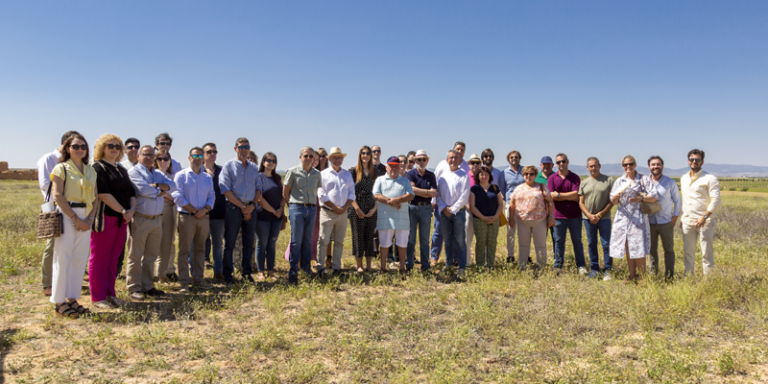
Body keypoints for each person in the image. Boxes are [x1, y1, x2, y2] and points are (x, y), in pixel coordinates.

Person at [49, 133, 98, 317]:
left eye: (83, 146)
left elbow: (95, 198)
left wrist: (90, 219)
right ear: (67, 148)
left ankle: (72, 298)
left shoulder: (91, 170)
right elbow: (58, 195)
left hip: (87, 216)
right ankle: (59, 302)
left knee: (78, 259)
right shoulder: (61, 168)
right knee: (63, 259)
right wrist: (75, 219)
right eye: (75, 146)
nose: (79, 149)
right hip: (68, 214)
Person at [90, 134, 135, 309]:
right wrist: (124, 211)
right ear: (102, 147)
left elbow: (132, 192)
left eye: (117, 146)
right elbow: (103, 194)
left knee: (113, 259)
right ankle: (98, 297)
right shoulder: (98, 167)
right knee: (100, 258)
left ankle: (110, 294)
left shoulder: (121, 169)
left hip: (122, 220)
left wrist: (131, 210)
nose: (114, 149)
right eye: (110, 146)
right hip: (105, 218)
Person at [128, 145, 175, 300]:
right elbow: (143, 190)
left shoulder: (156, 172)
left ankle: (147, 285)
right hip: (140, 219)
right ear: (138, 156)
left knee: (151, 256)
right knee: (136, 255)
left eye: (151, 155)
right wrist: (159, 190)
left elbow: (172, 186)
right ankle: (134, 287)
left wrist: (155, 187)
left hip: (156, 220)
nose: (148, 157)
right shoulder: (134, 171)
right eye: (145, 155)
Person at [37, 130, 80, 296]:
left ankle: (65, 279)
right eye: (73, 145)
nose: (76, 148)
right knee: (53, 245)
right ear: (65, 144)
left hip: (73, 207)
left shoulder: (73, 161)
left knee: (69, 244)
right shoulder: (49, 159)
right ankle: (48, 283)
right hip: (55, 206)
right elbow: (45, 184)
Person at [219, 138, 263, 285]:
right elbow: (225, 188)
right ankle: (228, 275)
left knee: (249, 243)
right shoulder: (228, 166)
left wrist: (251, 206)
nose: (244, 149)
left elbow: (258, 188)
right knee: (230, 243)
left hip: (251, 208)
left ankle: (246, 273)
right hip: (233, 208)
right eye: (241, 147)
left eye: (246, 147)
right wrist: (242, 207)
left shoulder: (253, 167)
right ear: (235, 148)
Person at [172, 147, 215, 293]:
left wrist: (205, 209)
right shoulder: (181, 175)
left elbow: (212, 195)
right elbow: (177, 195)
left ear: (203, 158)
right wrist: (193, 210)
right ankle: (184, 282)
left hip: (203, 217)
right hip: (187, 217)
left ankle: (199, 279)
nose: (197, 158)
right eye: (194, 155)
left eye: (199, 155)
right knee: (184, 250)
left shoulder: (207, 177)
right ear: (189, 158)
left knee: (200, 250)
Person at [609, 155, 658, 281]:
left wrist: (640, 198)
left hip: (638, 218)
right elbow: (613, 201)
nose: (628, 167)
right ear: (622, 166)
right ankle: (632, 276)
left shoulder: (643, 179)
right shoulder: (620, 181)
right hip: (623, 217)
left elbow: (654, 196)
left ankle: (642, 278)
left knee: (638, 246)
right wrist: (616, 197)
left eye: (630, 164)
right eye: (625, 165)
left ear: (635, 165)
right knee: (627, 246)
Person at [284, 146, 323, 284]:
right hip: (297, 208)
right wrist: (293, 207)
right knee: (296, 241)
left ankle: (306, 270)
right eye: (306, 156)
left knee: (307, 241)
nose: (308, 159)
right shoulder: (292, 172)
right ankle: (293, 272)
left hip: (311, 209)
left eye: (311, 156)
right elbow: (285, 192)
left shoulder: (317, 174)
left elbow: (316, 191)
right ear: (300, 157)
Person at [680, 149, 721, 276]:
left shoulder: (710, 178)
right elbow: (685, 200)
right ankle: (688, 277)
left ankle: (708, 281)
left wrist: (704, 216)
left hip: (705, 221)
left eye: (697, 160)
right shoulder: (684, 178)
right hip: (687, 220)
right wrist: (682, 217)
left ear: (702, 162)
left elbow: (716, 199)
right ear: (688, 161)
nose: (694, 162)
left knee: (706, 252)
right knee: (688, 251)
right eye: (692, 159)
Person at [430, 141, 470, 267]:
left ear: (459, 160)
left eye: (455, 158)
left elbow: (464, 196)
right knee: (445, 239)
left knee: (459, 241)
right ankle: (448, 264)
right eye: (451, 158)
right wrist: (443, 207)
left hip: (458, 212)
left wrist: (453, 209)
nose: (453, 160)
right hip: (443, 211)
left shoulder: (464, 175)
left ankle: (461, 266)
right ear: (447, 160)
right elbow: (438, 193)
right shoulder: (443, 176)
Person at [316, 147, 355, 275]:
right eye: (334, 158)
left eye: (339, 158)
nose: (337, 160)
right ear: (330, 159)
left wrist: (344, 208)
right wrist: (335, 207)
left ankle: (336, 268)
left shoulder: (347, 174)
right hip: (327, 212)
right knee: (323, 241)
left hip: (343, 213)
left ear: (342, 159)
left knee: (339, 242)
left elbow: (351, 193)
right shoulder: (323, 174)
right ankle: (320, 267)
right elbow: (321, 194)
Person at [372, 156, 414, 273]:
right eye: (391, 166)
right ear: (386, 167)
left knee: (402, 244)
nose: (393, 168)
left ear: (399, 167)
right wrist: (390, 201)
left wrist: (398, 199)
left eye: (396, 166)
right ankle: (383, 267)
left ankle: (402, 267)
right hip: (385, 219)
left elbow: (410, 195)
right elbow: (376, 194)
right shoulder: (380, 180)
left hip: (402, 219)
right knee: (384, 244)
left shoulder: (404, 180)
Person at [509, 165, 555, 269]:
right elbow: (512, 204)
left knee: (540, 245)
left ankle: (541, 266)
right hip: (522, 221)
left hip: (539, 221)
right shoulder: (518, 188)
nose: (528, 176)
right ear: (523, 175)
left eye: (531, 174)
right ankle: (522, 266)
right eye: (526, 174)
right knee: (523, 245)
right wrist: (511, 219)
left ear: (535, 175)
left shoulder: (541, 186)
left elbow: (550, 201)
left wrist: (551, 216)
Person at [548, 153, 586, 275]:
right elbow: (551, 197)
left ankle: (581, 266)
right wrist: (569, 196)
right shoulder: (552, 178)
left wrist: (558, 195)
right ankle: (558, 266)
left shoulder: (575, 177)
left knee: (577, 241)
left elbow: (576, 195)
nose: (561, 164)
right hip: (558, 216)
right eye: (558, 162)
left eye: (563, 161)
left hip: (575, 215)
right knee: (559, 241)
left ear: (567, 161)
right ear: (556, 164)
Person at [578, 157, 615, 280]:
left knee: (606, 244)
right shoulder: (584, 182)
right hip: (588, 219)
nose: (593, 168)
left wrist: (600, 214)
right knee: (591, 243)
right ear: (587, 168)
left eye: (595, 165)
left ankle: (608, 270)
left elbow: (612, 201)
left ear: (599, 166)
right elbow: (581, 202)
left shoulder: (609, 180)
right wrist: (589, 215)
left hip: (604, 218)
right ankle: (594, 269)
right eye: (590, 166)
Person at [647, 156, 682, 279]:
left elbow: (678, 201)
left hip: (666, 221)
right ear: (649, 167)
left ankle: (669, 275)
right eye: (653, 164)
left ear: (662, 166)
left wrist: (674, 218)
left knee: (668, 249)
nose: (655, 166)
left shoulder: (670, 182)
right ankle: (653, 274)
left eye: (658, 164)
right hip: (649, 222)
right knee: (651, 250)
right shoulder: (644, 182)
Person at [349, 146, 379, 272]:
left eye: (368, 153)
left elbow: (378, 191)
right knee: (358, 236)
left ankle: (369, 265)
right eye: (363, 153)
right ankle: (359, 265)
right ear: (360, 155)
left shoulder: (375, 172)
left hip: (371, 208)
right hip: (357, 208)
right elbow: (349, 192)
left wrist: (375, 208)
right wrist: (357, 208)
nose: (365, 155)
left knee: (370, 236)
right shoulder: (353, 171)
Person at [406, 150, 437, 271]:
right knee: (411, 239)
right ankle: (409, 264)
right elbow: (411, 190)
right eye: (419, 160)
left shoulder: (431, 175)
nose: (421, 162)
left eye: (424, 159)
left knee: (424, 240)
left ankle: (425, 266)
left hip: (426, 208)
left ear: (427, 161)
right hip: (412, 207)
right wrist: (427, 192)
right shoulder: (410, 174)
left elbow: (434, 192)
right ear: (415, 161)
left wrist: (420, 192)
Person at [255, 152, 284, 281]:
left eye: (273, 160)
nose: (270, 162)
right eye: (268, 160)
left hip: (277, 217)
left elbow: (284, 195)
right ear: (263, 162)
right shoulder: (258, 177)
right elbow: (259, 198)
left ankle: (271, 271)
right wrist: (273, 210)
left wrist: (281, 209)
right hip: (262, 216)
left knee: (272, 244)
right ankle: (260, 271)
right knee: (262, 243)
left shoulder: (278, 178)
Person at [469, 165, 503, 270]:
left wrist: (495, 216)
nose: (484, 176)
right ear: (477, 176)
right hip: (479, 220)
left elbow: (500, 204)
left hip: (494, 219)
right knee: (481, 242)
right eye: (481, 174)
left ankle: (490, 265)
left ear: (489, 176)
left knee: (492, 242)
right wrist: (483, 218)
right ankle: (480, 265)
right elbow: (472, 206)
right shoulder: (474, 189)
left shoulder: (495, 188)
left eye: (486, 174)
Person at [153, 149, 178, 284]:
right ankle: (147, 275)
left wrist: (164, 194)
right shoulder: (152, 174)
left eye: (166, 159)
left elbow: (177, 192)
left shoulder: (171, 175)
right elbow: (152, 190)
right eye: (160, 159)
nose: (163, 162)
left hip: (170, 210)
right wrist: (168, 195)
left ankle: (161, 276)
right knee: (152, 243)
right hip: (154, 209)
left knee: (167, 243)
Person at [203, 143, 226, 280]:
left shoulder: (222, 171)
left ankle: (218, 271)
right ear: (203, 154)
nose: (212, 154)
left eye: (214, 152)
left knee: (218, 244)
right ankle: (198, 272)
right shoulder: (198, 170)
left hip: (219, 214)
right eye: (209, 151)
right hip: (201, 214)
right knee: (200, 244)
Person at [501, 150, 525, 264]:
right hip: (510, 204)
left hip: (525, 205)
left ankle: (525, 255)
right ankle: (510, 255)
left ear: (519, 158)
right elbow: (502, 188)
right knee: (511, 230)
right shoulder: (504, 173)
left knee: (524, 231)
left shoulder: (525, 171)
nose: (514, 159)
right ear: (508, 159)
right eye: (511, 157)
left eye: (516, 157)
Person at [464, 154, 482, 265]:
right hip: (468, 210)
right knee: (467, 237)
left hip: (481, 212)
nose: (474, 165)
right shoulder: (465, 177)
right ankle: (467, 262)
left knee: (481, 238)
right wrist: (470, 208)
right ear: (468, 164)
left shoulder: (483, 177)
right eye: (472, 162)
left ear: (480, 164)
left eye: (477, 162)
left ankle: (481, 261)